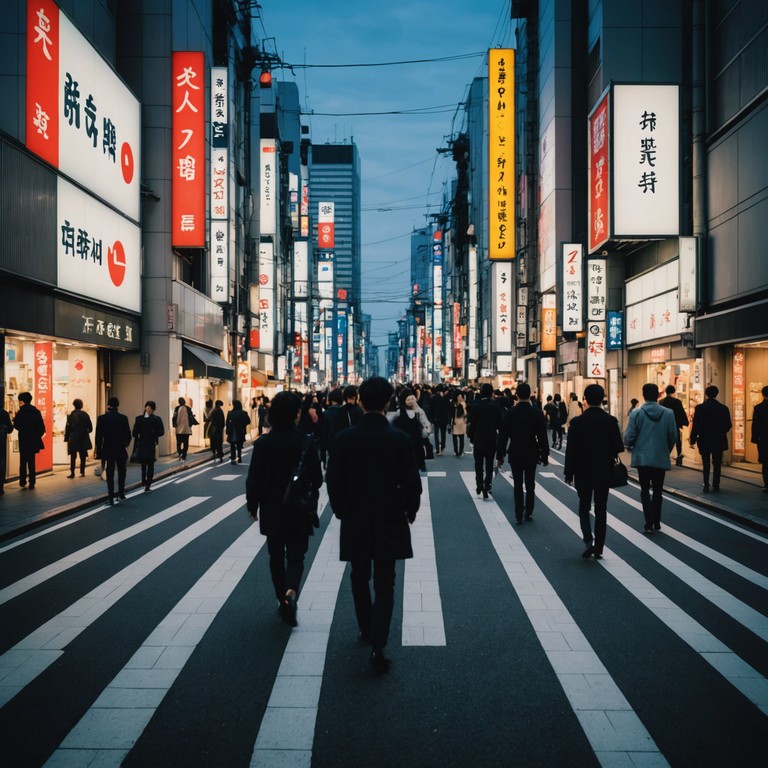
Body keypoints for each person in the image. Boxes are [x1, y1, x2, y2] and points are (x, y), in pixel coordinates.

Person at [326, 376, 422, 674]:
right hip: (389, 513)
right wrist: (411, 508)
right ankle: (379, 642)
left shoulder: (344, 439)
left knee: (358, 574)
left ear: (361, 401)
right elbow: (410, 480)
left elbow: (333, 480)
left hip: (355, 514)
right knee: (385, 580)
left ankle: (366, 628)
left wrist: (341, 509)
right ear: (388, 402)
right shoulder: (398, 439)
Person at [246, 391, 323, 628]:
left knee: (276, 555)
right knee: (297, 556)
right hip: (299, 508)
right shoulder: (306, 442)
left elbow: (253, 478)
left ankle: (282, 599)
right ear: (296, 414)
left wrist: (252, 505)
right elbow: (318, 479)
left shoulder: (263, 444)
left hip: (272, 508)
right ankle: (292, 590)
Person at [564, 384, 625, 559]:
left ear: (585, 399)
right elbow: (618, 447)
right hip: (604, 471)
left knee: (584, 507)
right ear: (602, 398)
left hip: (582, 470)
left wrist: (569, 473)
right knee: (601, 508)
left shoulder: (577, 422)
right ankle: (599, 547)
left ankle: (588, 541)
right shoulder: (611, 421)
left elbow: (571, 450)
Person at [623, 383, 678, 532]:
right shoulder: (668, 413)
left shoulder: (636, 413)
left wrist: (631, 445)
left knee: (645, 490)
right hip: (660, 457)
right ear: (658, 395)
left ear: (643, 395)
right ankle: (657, 521)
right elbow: (673, 436)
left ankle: (649, 522)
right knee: (658, 491)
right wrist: (666, 449)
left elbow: (628, 437)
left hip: (643, 458)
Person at [497, 382, 549, 522]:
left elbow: (503, 436)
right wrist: (545, 454)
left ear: (517, 395)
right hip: (531, 451)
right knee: (530, 483)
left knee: (518, 484)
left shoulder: (510, 413)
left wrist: (500, 454)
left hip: (515, 451)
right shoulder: (537, 413)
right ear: (530, 394)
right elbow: (543, 436)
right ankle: (529, 512)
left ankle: (518, 513)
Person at [689, 385, 732, 493]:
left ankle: (706, 484)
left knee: (706, 463)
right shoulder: (723, 408)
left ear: (706, 394)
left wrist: (692, 439)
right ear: (716, 394)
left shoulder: (700, 408)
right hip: (719, 439)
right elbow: (728, 425)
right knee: (717, 463)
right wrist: (721, 432)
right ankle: (716, 484)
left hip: (704, 439)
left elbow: (696, 425)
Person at [467, 383, 502, 498]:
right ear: (492, 393)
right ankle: (487, 484)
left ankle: (479, 484)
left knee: (478, 464)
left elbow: (472, 424)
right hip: (491, 439)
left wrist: (471, 437)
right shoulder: (495, 407)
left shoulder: (476, 406)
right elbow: (499, 425)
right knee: (489, 464)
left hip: (478, 439)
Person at [94, 396, 132, 505]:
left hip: (108, 448)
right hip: (120, 448)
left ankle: (110, 497)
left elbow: (98, 437)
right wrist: (124, 445)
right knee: (122, 471)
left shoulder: (102, 418)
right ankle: (121, 493)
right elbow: (128, 435)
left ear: (108, 405)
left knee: (109, 472)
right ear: (118, 406)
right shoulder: (123, 418)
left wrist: (99, 450)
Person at [13, 392, 45, 490]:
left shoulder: (21, 412)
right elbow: (41, 427)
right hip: (33, 439)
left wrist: (23, 430)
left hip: (23, 438)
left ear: (22, 401)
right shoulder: (36, 411)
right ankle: (32, 482)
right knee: (31, 461)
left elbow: (16, 425)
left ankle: (22, 481)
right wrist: (36, 435)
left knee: (23, 461)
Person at [391, 388, 427, 472]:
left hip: (416, 439)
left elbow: (424, 423)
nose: (410, 401)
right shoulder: (399, 412)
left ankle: (421, 465)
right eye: (408, 399)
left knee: (417, 456)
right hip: (405, 440)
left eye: (412, 399)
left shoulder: (418, 411)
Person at [132, 401, 165, 492]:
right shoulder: (157, 419)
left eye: (149, 408)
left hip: (143, 445)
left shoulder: (139, 419)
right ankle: (147, 484)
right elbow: (161, 432)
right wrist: (154, 433)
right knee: (149, 465)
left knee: (145, 465)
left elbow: (134, 433)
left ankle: (145, 483)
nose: (148, 410)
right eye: (148, 408)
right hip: (151, 445)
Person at [659, 384, 690, 466]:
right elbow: (681, 413)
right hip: (675, 423)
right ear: (673, 391)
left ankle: (665, 456)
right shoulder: (677, 402)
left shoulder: (661, 402)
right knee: (677, 441)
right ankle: (679, 457)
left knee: (664, 440)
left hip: (664, 424)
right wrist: (685, 423)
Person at [64, 399, 93, 478]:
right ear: (81, 405)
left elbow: (68, 428)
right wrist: (86, 431)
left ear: (74, 405)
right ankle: (82, 472)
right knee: (82, 455)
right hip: (83, 436)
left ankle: (72, 473)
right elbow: (90, 428)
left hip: (73, 437)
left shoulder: (70, 416)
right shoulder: (85, 415)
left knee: (73, 456)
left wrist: (67, 438)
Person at [751, 385, 768, 493]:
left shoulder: (758, 408)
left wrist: (754, 438)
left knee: (765, 463)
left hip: (763, 439)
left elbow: (755, 424)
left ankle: (766, 484)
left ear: (763, 394)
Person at [226, 399, 251, 464]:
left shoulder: (230, 413)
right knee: (239, 444)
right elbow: (248, 421)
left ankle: (233, 458)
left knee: (232, 445)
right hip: (241, 430)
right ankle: (239, 456)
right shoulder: (244, 413)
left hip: (232, 431)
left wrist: (227, 431)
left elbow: (227, 423)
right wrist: (243, 424)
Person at [172, 397, 197, 461]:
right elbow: (191, 417)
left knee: (178, 443)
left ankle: (180, 453)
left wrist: (174, 425)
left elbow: (174, 417)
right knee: (186, 443)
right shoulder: (188, 408)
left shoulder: (177, 408)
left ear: (179, 402)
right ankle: (184, 455)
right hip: (186, 430)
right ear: (184, 402)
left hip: (179, 430)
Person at [430, 386, 451, 455]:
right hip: (444, 418)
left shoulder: (433, 398)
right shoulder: (445, 398)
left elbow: (431, 409)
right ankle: (442, 447)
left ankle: (437, 448)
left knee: (436, 434)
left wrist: (432, 418)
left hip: (436, 418)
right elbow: (448, 408)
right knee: (443, 433)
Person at [0, 405, 13, 496]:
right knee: (1, 462)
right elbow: (10, 429)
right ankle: (0, 487)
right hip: (1, 443)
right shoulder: (3, 413)